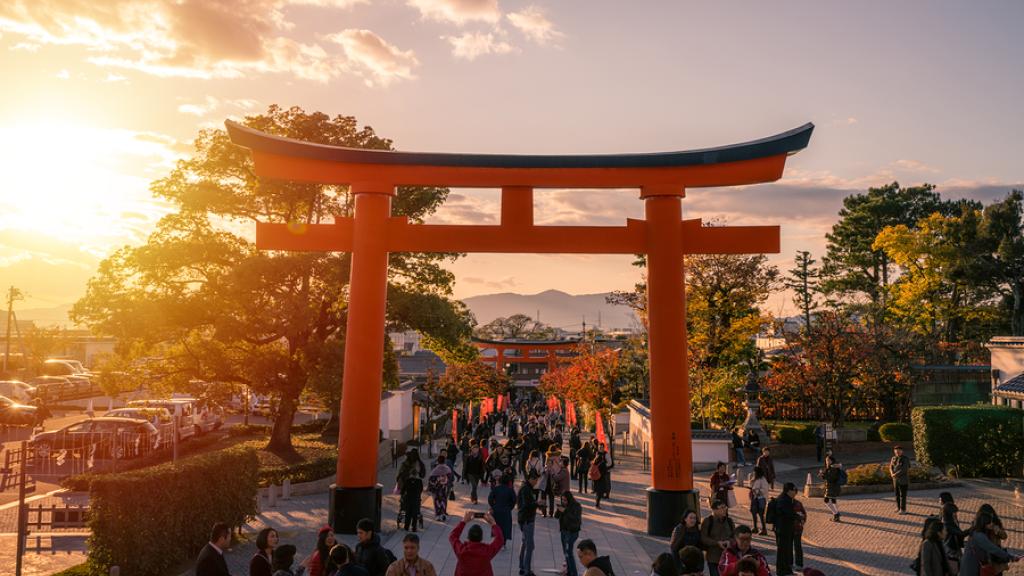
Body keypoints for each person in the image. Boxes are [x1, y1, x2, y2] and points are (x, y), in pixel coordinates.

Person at [959, 510, 1017, 576]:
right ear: (984, 524)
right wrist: (1010, 556)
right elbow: (993, 548)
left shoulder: (976, 531)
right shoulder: (979, 535)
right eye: (989, 522)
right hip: (972, 566)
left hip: (970, 563)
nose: (992, 524)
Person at [449, 510, 504, 576]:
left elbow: (452, 536)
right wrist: (493, 524)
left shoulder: (461, 551)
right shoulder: (487, 551)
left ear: (468, 537)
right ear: (481, 538)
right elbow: (500, 539)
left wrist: (463, 521)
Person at [700, 499, 736, 576]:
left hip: (728, 557)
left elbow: (735, 536)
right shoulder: (707, 521)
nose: (724, 510)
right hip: (713, 558)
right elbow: (703, 538)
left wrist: (729, 541)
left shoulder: (729, 521)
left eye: (725, 507)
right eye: (722, 508)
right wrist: (717, 543)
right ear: (714, 510)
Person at [517, 472, 541, 576]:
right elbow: (527, 505)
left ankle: (522, 567)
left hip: (525, 519)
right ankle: (527, 570)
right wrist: (537, 503)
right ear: (531, 479)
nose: (536, 482)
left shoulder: (526, 487)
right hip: (527, 520)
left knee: (524, 543)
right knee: (530, 546)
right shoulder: (526, 489)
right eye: (535, 480)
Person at [773, 482, 799, 576]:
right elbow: (789, 514)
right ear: (789, 491)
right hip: (783, 530)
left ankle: (787, 570)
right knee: (782, 552)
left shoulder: (786, 498)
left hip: (786, 529)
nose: (795, 492)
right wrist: (798, 516)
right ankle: (782, 572)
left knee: (787, 551)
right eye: (794, 490)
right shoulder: (784, 500)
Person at [557, 492, 583, 576]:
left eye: (565, 500)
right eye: (562, 500)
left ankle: (574, 573)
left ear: (569, 499)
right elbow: (556, 516)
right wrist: (558, 510)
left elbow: (576, 519)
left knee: (569, 552)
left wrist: (565, 511)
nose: (563, 502)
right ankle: (568, 571)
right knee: (566, 552)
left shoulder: (576, 506)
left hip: (572, 532)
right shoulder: (564, 505)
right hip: (564, 531)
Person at [488, 471, 517, 548]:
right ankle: (503, 542)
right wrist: (510, 507)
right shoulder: (510, 490)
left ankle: (496, 540)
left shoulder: (496, 489)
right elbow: (514, 500)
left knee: (497, 525)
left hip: (496, 510)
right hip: (506, 510)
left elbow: (490, 498)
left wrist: (493, 506)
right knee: (505, 526)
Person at [939, 492, 964, 573]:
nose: (939, 501)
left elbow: (956, 527)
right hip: (950, 542)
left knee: (952, 564)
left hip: (950, 543)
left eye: (940, 499)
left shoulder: (947, 510)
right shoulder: (947, 509)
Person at [818, 454, 843, 522]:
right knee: (833, 500)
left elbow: (831, 478)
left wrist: (823, 474)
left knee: (826, 500)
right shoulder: (829, 467)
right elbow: (827, 477)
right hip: (831, 486)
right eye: (826, 460)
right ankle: (836, 515)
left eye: (828, 460)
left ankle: (836, 514)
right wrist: (822, 475)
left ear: (832, 461)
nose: (827, 461)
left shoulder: (833, 467)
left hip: (832, 487)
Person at [428, 455, 453, 521]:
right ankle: (443, 514)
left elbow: (431, 480)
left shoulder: (435, 469)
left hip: (436, 489)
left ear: (438, 461)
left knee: (436, 501)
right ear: (444, 461)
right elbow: (450, 478)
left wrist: (430, 488)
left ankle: (438, 515)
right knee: (443, 501)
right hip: (444, 488)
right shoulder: (447, 469)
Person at [747, 467, 769, 535]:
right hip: (754, 498)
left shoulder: (763, 479)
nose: (753, 473)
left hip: (761, 498)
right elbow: (751, 485)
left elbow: (765, 489)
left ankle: (764, 529)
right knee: (753, 512)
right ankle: (755, 527)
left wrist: (757, 491)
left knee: (761, 514)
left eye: (755, 472)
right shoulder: (754, 479)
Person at [889, 445, 910, 515]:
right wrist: (892, 473)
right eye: (896, 451)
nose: (897, 452)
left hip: (903, 480)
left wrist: (895, 475)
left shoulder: (905, 459)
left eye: (899, 451)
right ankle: (898, 508)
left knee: (902, 496)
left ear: (902, 451)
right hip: (895, 480)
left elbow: (904, 469)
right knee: (897, 495)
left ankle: (903, 509)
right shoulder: (893, 458)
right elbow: (891, 467)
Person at [792, 491, 807, 571]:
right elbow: (804, 515)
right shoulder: (798, 503)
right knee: (797, 546)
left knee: (794, 546)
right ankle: (799, 564)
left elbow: (803, 515)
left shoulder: (795, 504)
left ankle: (793, 564)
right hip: (798, 528)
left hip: (794, 528)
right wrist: (802, 523)